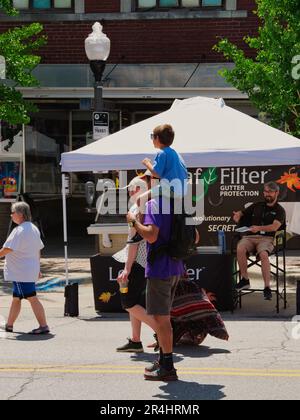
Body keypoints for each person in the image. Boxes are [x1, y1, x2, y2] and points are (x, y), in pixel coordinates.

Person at [127, 185, 185, 382]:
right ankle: (162, 360)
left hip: (160, 268)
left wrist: (134, 221)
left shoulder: (154, 205)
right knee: (163, 318)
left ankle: (168, 366)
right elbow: (195, 237)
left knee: (161, 320)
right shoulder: (178, 204)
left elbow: (151, 236)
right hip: (176, 265)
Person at [113, 175, 157, 353]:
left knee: (128, 302)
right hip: (146, 259)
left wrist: (127, 268)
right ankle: (136, 340)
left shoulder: (136, 208)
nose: (130, 192)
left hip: (138, 261)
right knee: (135, 301)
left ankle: (162, 333)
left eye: (132, 188)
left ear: (138, 190)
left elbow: (134, 241)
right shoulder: (150, 206)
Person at [127, 123, 188, 244]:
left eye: (152, 137)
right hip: (181, 191)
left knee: (140, 199)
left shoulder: (162, 153)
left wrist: (147, 163)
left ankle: (140, 232)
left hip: (169, 189)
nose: (152, 140)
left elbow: (156, 173)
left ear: (157, 138)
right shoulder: (176, 154)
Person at [0, 202, 49, 334]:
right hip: (27, 271)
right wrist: (38, 268)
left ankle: (43, 325)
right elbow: (38, 250)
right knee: (17, 298)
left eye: (13, 212)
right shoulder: (33, 228)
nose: (11, 215)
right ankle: (9, 325)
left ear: (20, 214)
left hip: (21, 272)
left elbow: (7, 249)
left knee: (31, 297)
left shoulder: (19, 230)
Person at [233, 181, 286, 301]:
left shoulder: (280, 210)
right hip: (250, 237)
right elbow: (242, 212)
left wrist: (258, 228)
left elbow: (274, 227)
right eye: (265, 191)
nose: (267, 194)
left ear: (276, 193)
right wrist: (238, 215)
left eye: (270, 192)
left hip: (267, 239)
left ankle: (267, 287)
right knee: (240, 248)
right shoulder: (257, 205)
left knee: (263, 254)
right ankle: (245, 280)